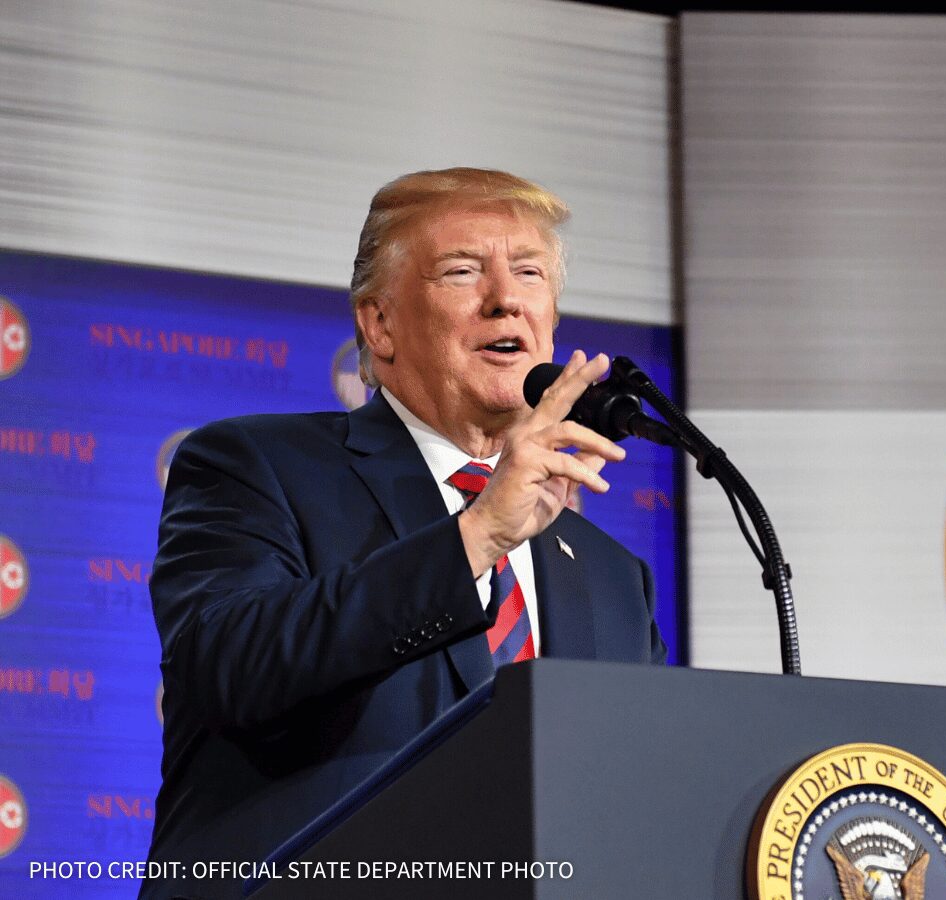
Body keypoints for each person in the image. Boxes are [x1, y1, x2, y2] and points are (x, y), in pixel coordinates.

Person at [142, 168, 665, 898]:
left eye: (529, 273)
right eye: (461, 272)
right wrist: (475, 536)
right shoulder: (257, 465)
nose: (505, 298)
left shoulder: (612, 577)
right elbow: (229, 664)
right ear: (380, 324)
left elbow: (642, 796)